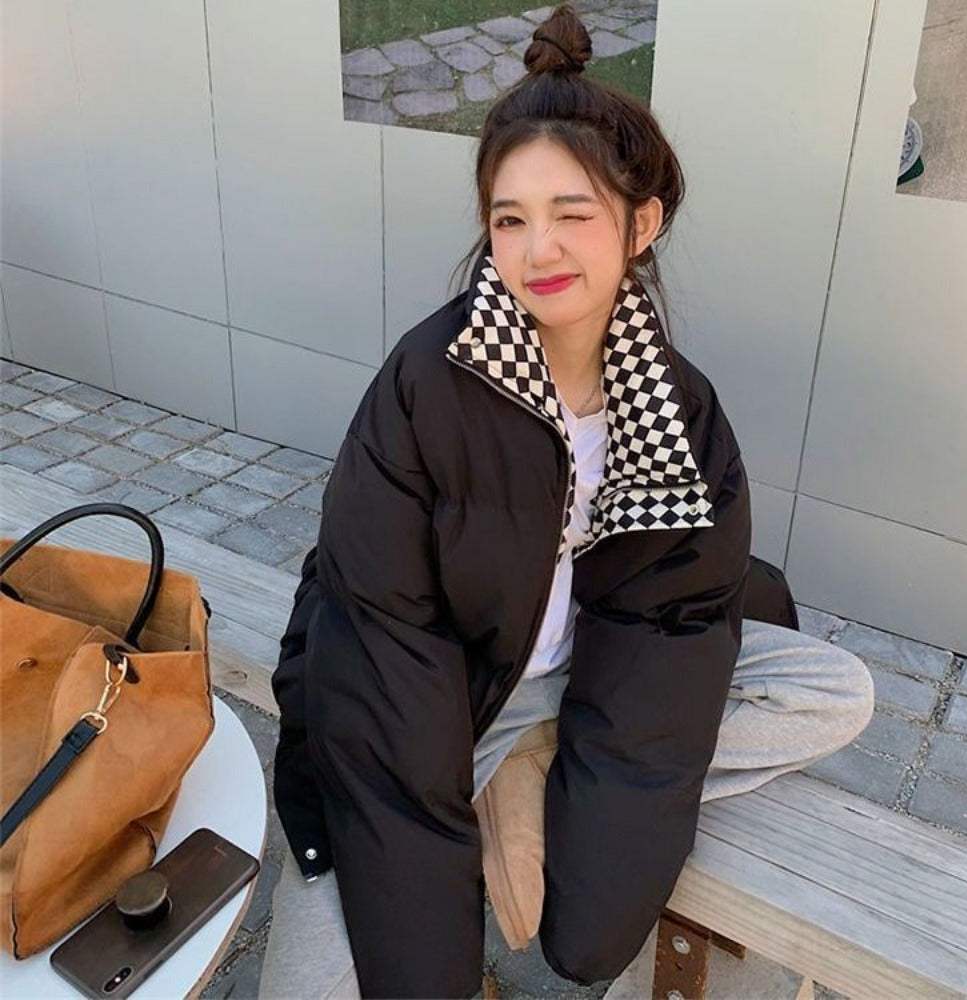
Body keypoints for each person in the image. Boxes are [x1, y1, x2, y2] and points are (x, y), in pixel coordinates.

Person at [260, 6, 874, 998]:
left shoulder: (677, 409)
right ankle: (521, 768)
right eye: (510, 218)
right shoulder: (427, 385)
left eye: (572, 213)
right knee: (317, 974)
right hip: (435, 703)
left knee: (833, 692)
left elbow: (671, 627)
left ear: (643, 223)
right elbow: (380, 643)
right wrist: (425, 941)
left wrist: (606, 825)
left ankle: (548, 764)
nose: (538, 247)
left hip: (585, 680)